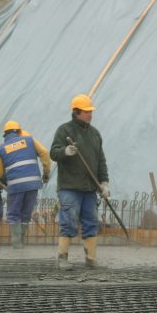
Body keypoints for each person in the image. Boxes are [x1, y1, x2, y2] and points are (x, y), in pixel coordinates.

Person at [50, 94, 109, 269]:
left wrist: (104, 183)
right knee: (68, 221)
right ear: (76, 112)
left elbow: (101, 161)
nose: (90, 114)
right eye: (87, 111)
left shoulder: (95, 134)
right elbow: (53, 153)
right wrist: (65, 152)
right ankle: (62, 258)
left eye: (91, 111)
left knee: (91, 222)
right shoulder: (64, 131)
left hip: (89, 188)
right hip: (69, 187)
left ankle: (91, 259)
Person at [0, 122, 51, 249]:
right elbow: (44, 152)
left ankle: (17, 243)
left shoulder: (1, 148)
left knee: (13, 214)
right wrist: (46, 172)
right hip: (33, 184)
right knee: (26, 214)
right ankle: (22, 240)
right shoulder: (29, 140)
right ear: (18, 131)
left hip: (16, 186)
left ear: (5, 134)